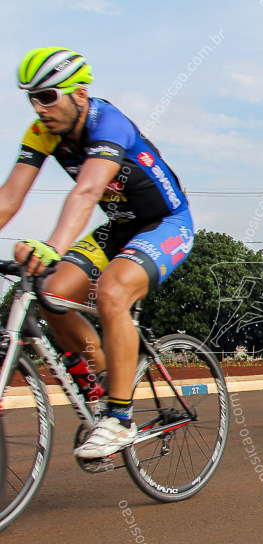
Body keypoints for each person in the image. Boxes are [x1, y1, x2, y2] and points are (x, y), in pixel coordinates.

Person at [0, 47, 194, 461]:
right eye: (32, 98)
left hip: (164, 224)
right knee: (51, 293)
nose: (40, 108)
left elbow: (87, 190)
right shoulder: (43, 131)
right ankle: (105, 378)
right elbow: (9, 198)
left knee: (111, 292)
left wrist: (52, 246)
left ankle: (120, 420)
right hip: (119, 228)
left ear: (80, 93)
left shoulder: (109, 124)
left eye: (48, 96)